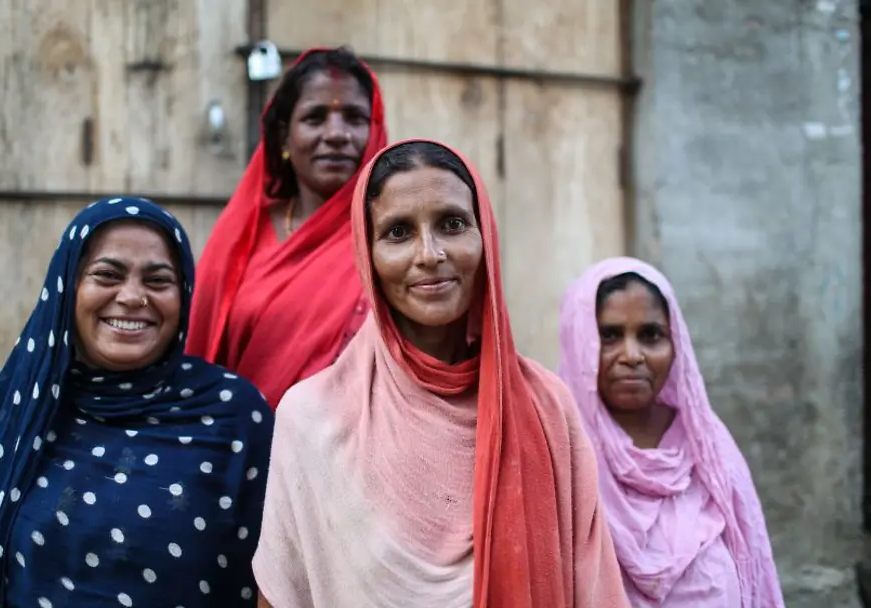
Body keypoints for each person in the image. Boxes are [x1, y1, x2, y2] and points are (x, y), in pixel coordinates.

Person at [251, 140, 630, 607]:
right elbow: (282, 593)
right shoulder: (313, 417)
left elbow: (592, 587)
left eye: (452, 224)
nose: (429, 254)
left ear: (484, 237)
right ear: (366, 252)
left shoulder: (548, 407)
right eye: (398, 232)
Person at [0, 197, 274, 607]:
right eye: (107, 275)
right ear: (68, 287)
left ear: (185, 293)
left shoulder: (233, 416)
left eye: (158, 281)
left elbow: (275, 580)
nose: (133, 297)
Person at [556, 257, 784, 607]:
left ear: (675, 344)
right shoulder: (558, 451)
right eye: (609, 335)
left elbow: (755, 567)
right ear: (578, 340)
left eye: (650, 335)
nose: (632, 355)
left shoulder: (708, 446)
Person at [186, 46, 389, 407]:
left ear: (374, 131)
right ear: (284, 137)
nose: (337, 134)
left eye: (355, 118)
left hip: (358, 439)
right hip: (241, 436)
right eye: (315, 118)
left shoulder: (394, 234)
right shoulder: (243, 235)